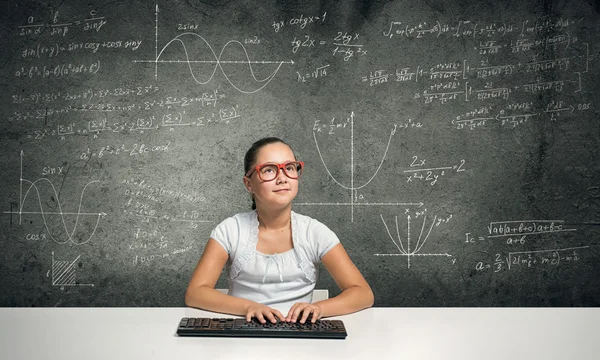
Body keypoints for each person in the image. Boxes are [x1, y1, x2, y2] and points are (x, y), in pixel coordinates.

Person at [185, 137, 374, 324]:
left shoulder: (315, 232)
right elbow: (195, 293)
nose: (282, 178)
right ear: (249, 184)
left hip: (299, 338)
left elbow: (363, 293)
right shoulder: (230, 230)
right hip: (242, 337)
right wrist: (248, 307)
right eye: (269, 170)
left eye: (289, 168)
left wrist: (319, 308)